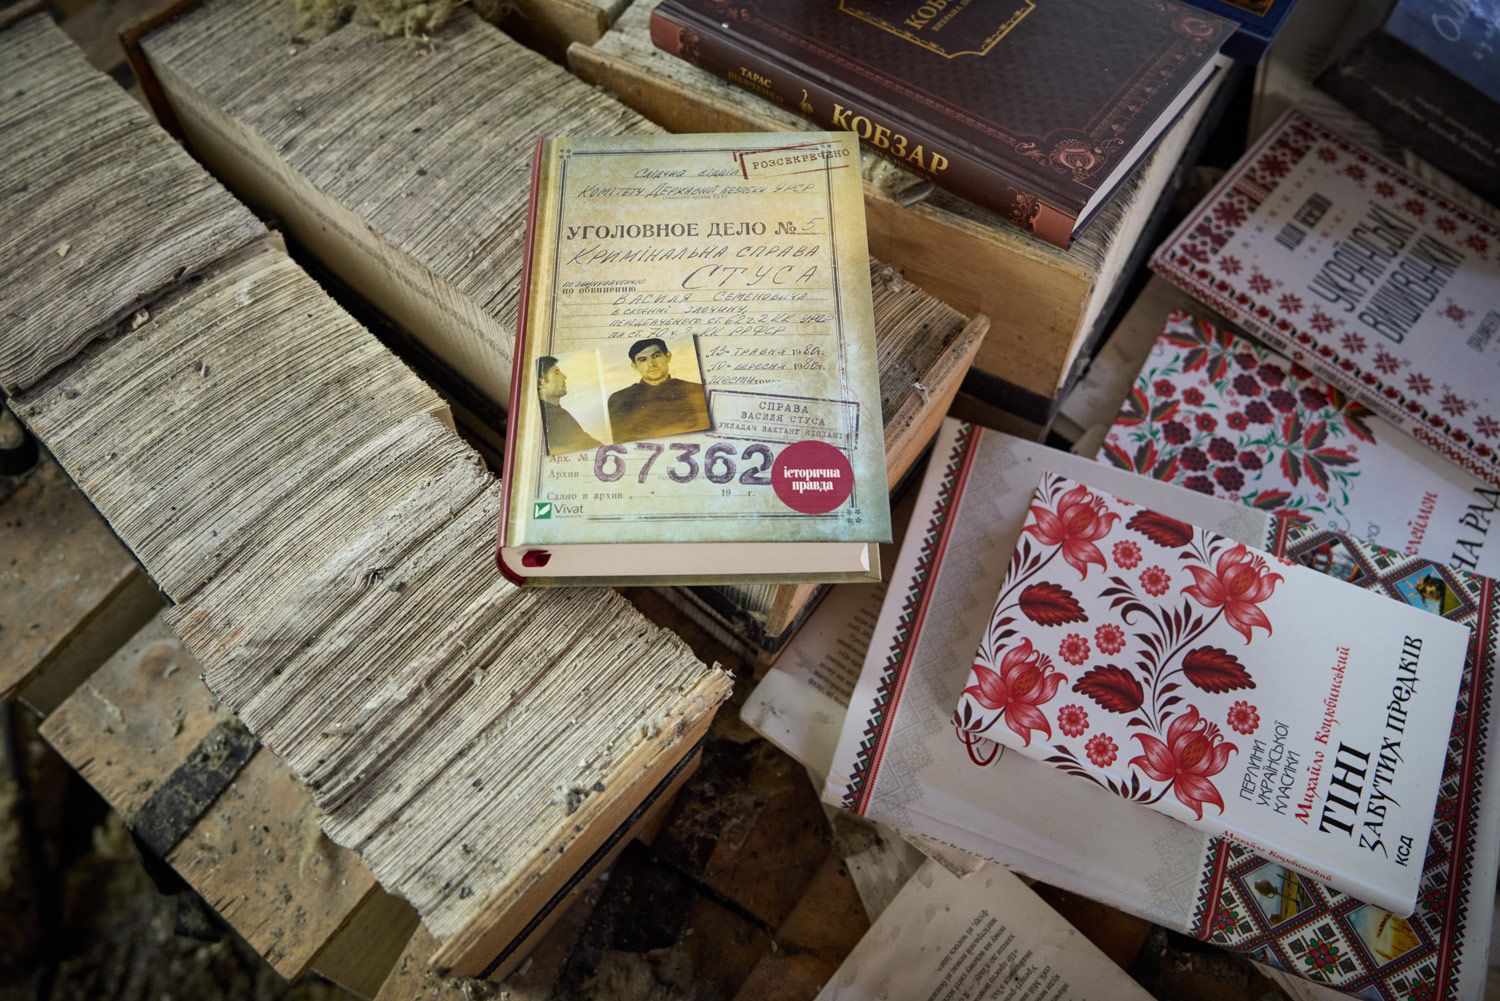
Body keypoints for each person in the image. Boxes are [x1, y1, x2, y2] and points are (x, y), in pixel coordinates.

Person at [606, 338, 711, 443]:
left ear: (668, 356)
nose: (651, 364)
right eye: (643, 359)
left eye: (656, 356)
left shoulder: (697, 391)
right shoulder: (619, 400)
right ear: (635, 366)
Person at [537, 356, 601, 454]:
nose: (564, 377)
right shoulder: (545, 420)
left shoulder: (558, 413)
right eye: (557, 373)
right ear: (541, 382)